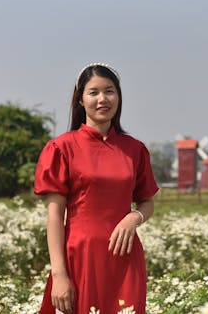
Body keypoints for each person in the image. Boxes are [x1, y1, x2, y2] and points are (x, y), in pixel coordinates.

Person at [34, 63, 159, 313]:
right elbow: (55, 216)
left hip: (125, 259)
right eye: (93, 92)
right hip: (79, 258)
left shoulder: (135, 149)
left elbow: (147, 202)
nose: (103, 99)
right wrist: (59, 274)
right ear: (80, 99)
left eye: (110, 91)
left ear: (119, 96)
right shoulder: (61, 148)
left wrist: (133, 218)